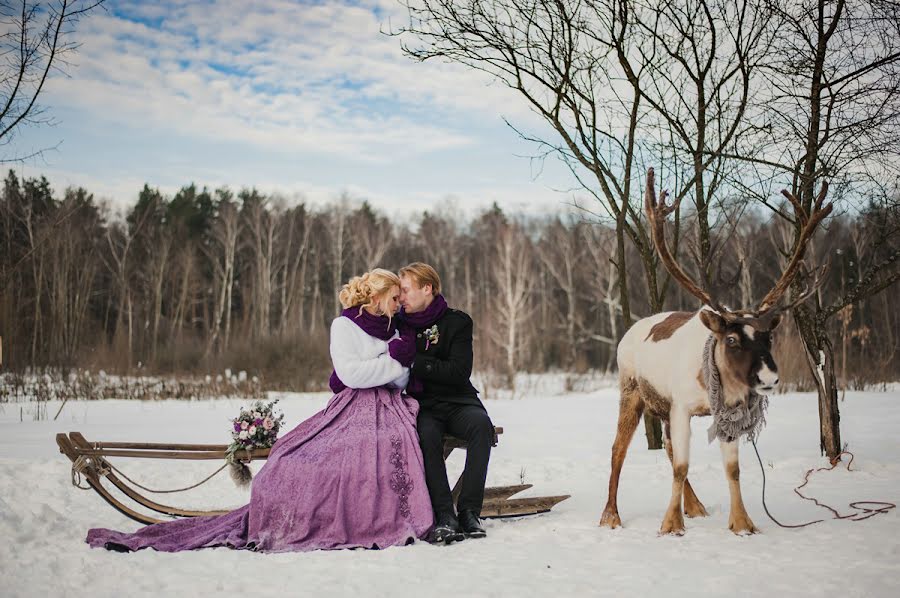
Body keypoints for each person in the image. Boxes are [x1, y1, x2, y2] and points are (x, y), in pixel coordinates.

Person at [87, 269, 433, 553]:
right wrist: (388, 361)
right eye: (393, 297)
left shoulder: (397, 330)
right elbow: (351, 375)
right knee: (291, 457)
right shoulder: (343, 326)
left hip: (387, 407)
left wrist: (384, 365)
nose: (399, 303)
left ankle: (376, 517)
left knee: (379, 451)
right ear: (375, 298)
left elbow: (402, 377)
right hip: (348, 406)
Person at [398, 262, 494, 544]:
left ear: (427, 288)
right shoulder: (399, 324)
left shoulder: (457, 322)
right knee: (426, 436)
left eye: (406, 290)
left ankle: (469, 512)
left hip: (459, 400)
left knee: (481, 427)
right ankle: (444, 516)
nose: (401, 297)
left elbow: (458, 371)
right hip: (423, 405)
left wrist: (415, 361)